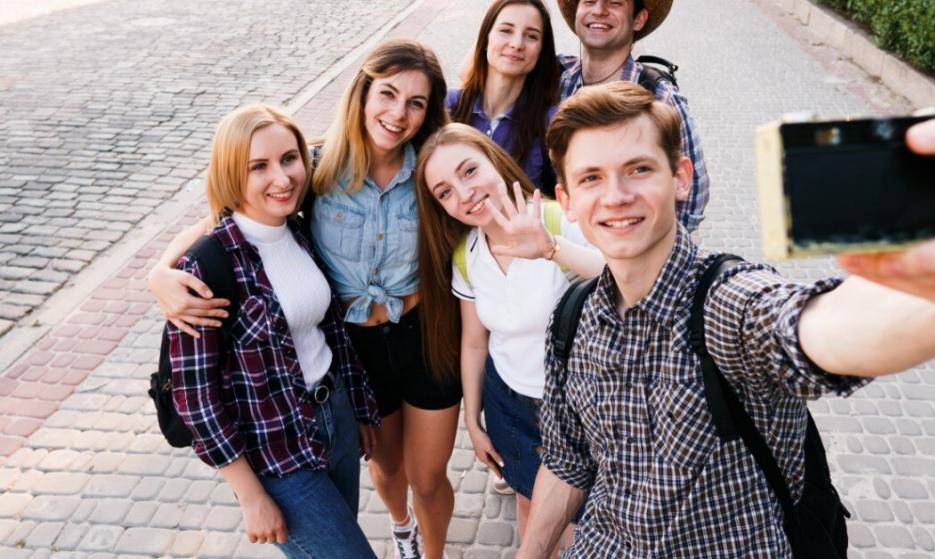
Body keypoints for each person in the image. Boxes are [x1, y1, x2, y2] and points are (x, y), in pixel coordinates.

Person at [516, 82, 935, 557]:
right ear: (567, 201)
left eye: (638, 169)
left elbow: (808, 328)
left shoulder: (726, 301)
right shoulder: (572, 317)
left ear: (680, 178)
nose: (615, 196)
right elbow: (568, 464)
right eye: (591, 178)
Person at [148, 39, 457, 559]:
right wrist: (158, 273)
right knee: (385, 469)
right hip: (341, 366)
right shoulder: (315, 171)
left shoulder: (428, 168)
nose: (398, 114)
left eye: (416, 102)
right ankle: (401, 526)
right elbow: (219, 221)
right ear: (362, 94)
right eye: (386, 94)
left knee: (423, 478)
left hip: (410, 341)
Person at [167, 104, 379, 559]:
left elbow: (331, 336)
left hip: (335, 418)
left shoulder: (300, 231)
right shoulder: (207, 265)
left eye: (289, 159)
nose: (282, 178)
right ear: (230, 173)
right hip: (275, 450)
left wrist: (358, 410)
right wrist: (249, 495)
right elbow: (196, 397)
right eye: (258, 167)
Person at [414, 123, 603, 550]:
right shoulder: (467, 253)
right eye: (444, 192)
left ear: (494, 162)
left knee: (575, 525)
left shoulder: (554, 216)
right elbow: (474, 342)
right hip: (511, 404)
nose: (463, 194)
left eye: (469, 171)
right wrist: (473, 420)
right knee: (528, 504)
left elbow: (623, 276)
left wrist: (552, 247)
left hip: (576, 406)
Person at [555, 0, 709, 232]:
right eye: (589, 1)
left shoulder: (659, 98)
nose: (598, 10)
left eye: (614, 3)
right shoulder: (555, 80)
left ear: (638, 19)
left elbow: (693, 199)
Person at [447, 0, 560, 198]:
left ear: (541, 52)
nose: (517, 44)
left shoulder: (550, 123)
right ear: (485, 38)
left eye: (531, 36)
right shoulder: (447, 106)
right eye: (506, 30)